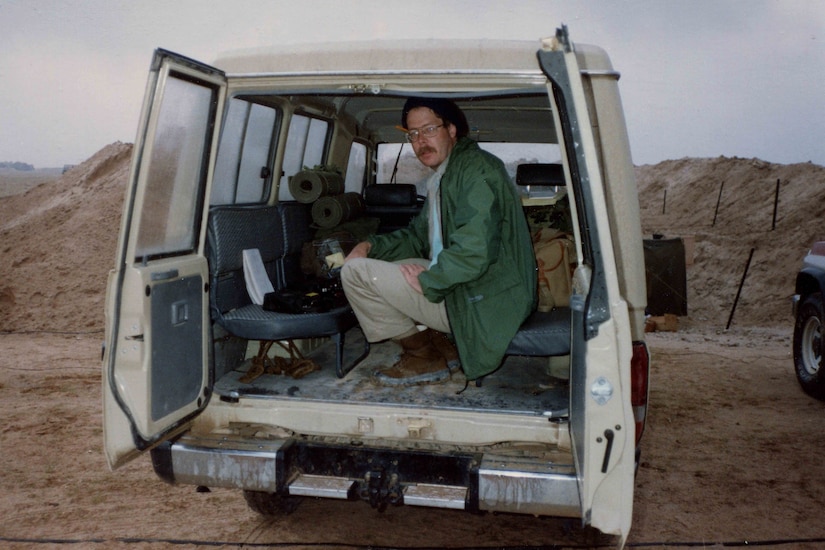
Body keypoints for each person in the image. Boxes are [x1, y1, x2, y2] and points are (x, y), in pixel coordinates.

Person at [341, 97, 536, 385]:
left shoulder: (476, 170)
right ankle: (443, 347)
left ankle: (424, 357)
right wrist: (370, 246)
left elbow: (474, 247)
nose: (421, 141)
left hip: (487, 299)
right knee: (376, 263)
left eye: (430, 129)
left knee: (355, 274)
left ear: (452, 130)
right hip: (480, 285)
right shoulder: (447, 175)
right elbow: (419, 237)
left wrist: (431, 281)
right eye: (413, 134)